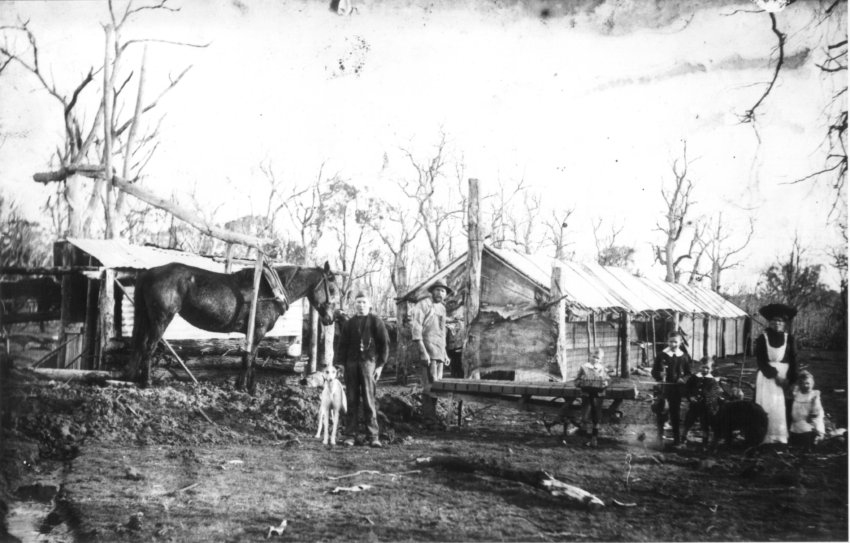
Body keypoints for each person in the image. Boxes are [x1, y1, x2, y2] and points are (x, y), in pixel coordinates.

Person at [337, 292, 390, 448]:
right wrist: (340, 364)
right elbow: (342, 345)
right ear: (355, 305)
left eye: (364, 302)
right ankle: (350, 435)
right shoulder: (349, 323)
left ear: (369, 305)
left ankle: (373, 436)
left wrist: (380, 366)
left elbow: (385, 345)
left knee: (369, 399)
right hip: (351, 365)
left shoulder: (376, 322)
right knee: (351, 399)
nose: (361, 305)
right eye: (358, 302)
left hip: (369, 364)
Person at [410, 278, 451, 427]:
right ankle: (428, 419)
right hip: (427, 350)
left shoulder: (442, 308)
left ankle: (432, 416)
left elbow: (442, 332)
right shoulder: (423, 304)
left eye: (443, 291)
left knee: (437, 385)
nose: (440, 293)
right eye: (438, 290)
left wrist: (444, 353)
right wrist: (423, 352)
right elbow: (416, 329)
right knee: (428, 386)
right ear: (432, 291)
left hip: (438, 351)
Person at [755, 303, 798, 445]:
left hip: (785, 379)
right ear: (769, 322)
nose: (777, 323)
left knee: (785, 405)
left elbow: (794, 361)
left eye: (780, 321)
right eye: (774, 320)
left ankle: (783, 437)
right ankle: (765, 436)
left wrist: (791, 381)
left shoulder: (790, 339)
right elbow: (761, 362)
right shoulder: (763, 338)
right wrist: (775, 376)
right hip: (768, 377)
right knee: (767, 405)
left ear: (784, 323)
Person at [651, 331, 691, 447]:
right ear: (667, 341)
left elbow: (688, 373)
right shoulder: (661, 355)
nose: (673, 344)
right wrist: (659, 375)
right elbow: (654, 371)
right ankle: (659, 438)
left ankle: (677, 439)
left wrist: (682, 379)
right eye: (670, 342)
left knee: (675, 413)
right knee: (661, 412)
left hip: (676, 390)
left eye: (675, 342)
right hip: (662, 388)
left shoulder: (683, 356)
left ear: (680, 342)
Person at [681, 356, 723, 446]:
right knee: (689, 420)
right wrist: (690, 397)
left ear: (711, 369)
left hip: (705, 407)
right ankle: (683, 437)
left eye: (707, 368)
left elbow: (715, 393)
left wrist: (707, 399)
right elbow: (686, 389)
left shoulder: (712, 381)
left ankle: (705, 441)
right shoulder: (694, 378)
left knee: (705, 423)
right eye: (703, 367)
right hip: (694, 405)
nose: (705, 370)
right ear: (699, 367)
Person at [575, 348, 609, 447]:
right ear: (590, 356)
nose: (595, 359)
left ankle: (594, 438)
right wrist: (581, 383)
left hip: (598, 395)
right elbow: (576, 380)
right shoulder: (584, 367)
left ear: (601, 360)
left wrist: (605, 383)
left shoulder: (602, 368)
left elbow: (607, 380)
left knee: (596, 416)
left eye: (597, 358)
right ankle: (585, 438)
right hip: (586, 394)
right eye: (593, 357)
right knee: (585, 415)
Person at [789, 370, 825, 450]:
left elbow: (816, 411)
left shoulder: (813, 395)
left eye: (807, 383)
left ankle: (815, 438)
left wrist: (812, 416)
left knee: (807, 436)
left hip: (809, 422)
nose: (805, 385)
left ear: (812, 384)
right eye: (802, 383)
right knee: (794, 439)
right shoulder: (797, 393)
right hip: (797, 423)